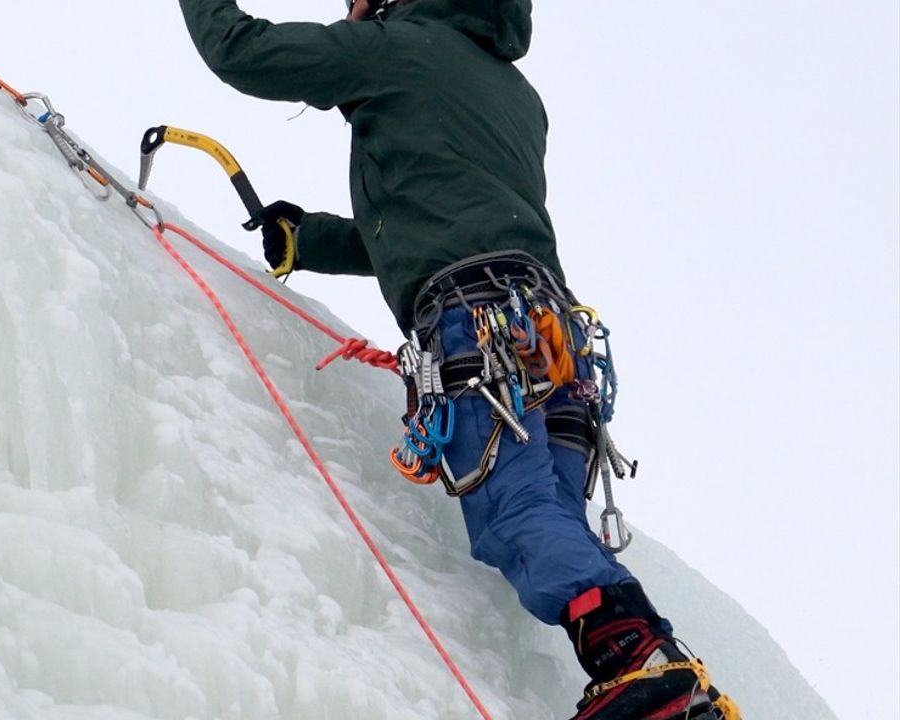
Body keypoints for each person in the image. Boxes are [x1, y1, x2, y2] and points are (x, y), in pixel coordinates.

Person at [176, 1, 740, 718]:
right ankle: (656, 679)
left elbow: (242, 52)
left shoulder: (389, 47)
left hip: (478, 330)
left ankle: (647, 672)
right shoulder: (512, 93)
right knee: (548, 520)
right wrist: (311, 241)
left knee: (514, 513)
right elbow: (442, 209)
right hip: (552, 338)